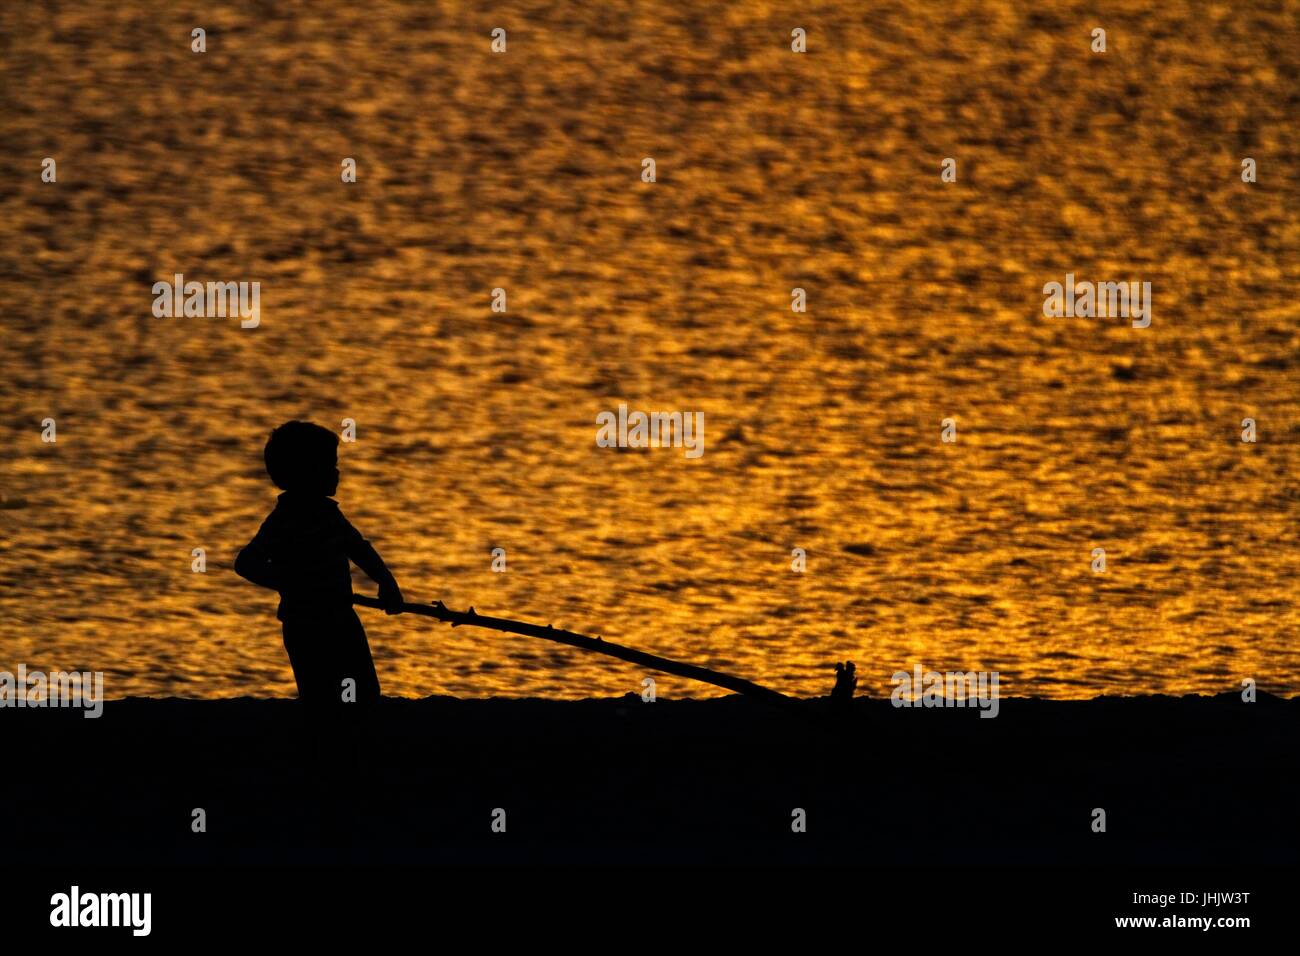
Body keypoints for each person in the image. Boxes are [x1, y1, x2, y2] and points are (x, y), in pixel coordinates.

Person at [235, 420, 403, 706]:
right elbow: (246, 563)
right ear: (306, 472)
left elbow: (359, 550)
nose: (337, 473)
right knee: (319, 698)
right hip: (303, 625)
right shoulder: (283, 521)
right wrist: (290, 581)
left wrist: (387, 582)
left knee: (362, 693)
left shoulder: (329, 515)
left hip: (341, 619)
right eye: (329, 466)